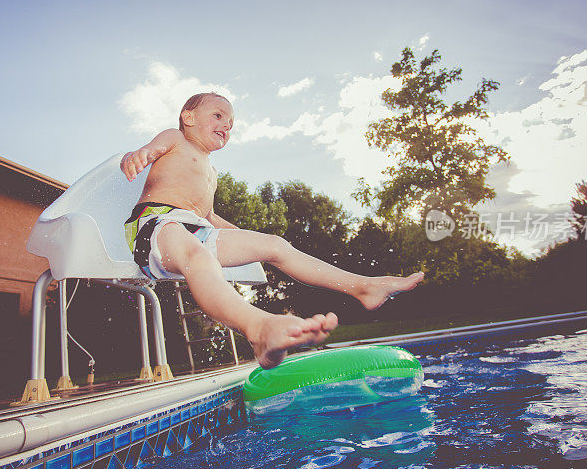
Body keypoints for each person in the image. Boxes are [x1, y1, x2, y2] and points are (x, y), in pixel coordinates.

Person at [121, 92, 424, 369]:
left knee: (275, 245)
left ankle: (363, 287)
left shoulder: (210, 171)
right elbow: (151, 149)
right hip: (157, 223)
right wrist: (140, 155)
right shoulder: (176, 139)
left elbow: (209, 216)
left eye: (231, 123)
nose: (226, 125)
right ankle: (259, 329)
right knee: (198, 256)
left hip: (195, 228)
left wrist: (245, 239)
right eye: (217, 116)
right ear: (188, 118)